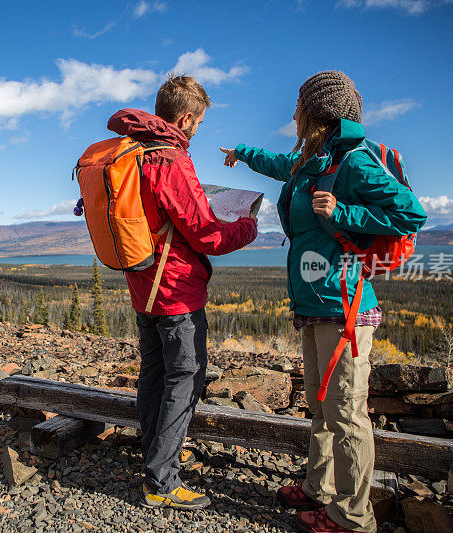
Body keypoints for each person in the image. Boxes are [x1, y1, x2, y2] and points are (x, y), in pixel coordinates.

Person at [220, 71, 426, 532]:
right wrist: (241, 153)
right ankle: (320, 489)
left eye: (298, 107)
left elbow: (411, 212)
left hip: (345, 307)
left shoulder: (353, 162)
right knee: (320, 404)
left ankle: (353, 518)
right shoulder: (312, 159)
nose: (291, 114)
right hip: (314, 306)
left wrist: (343, 212)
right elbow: (279, 163)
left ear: (318, 114)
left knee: (347, 414)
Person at [107, 75, 257, 510]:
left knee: (154, 372)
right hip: (175, 290)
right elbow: (208, 235)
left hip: (144, 285)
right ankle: (162, 482)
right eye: (200, 123)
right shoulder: (171, 159)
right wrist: (246, 224)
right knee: (184, 379)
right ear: (187, 118)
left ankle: (156, 452)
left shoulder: (134, 152)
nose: (197, 131)